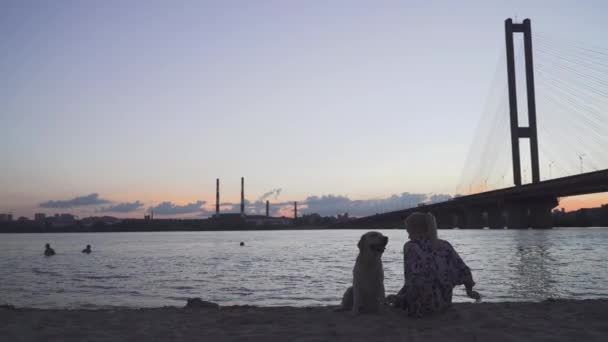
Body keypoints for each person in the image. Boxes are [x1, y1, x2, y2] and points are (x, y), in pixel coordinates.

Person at [392, 212, 480, 316]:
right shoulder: (445, 245)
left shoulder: (410, 247)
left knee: (394, 300)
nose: (408, 236)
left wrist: (401, 298)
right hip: (444, 305)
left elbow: (412, 280)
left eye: (409, 232)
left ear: (416, 230)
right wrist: (469, 292)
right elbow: (463, 270)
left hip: (418, 308)